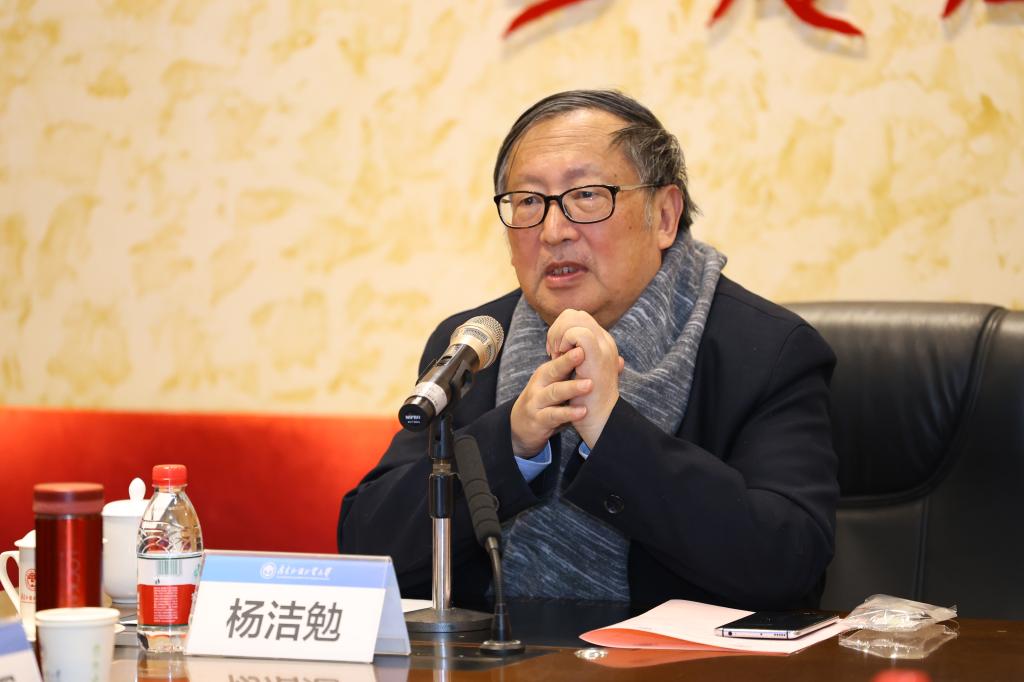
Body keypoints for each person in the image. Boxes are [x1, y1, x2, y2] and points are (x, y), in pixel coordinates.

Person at [338, 90, 838, 611]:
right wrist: (510, 441)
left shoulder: (768, 351)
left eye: (588, 195)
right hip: (497, 652)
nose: (553, 231)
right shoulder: (474, 347)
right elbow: (366, 546)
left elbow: (788, 565)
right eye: (528, 201)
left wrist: (612, 432)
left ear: (665, 216)